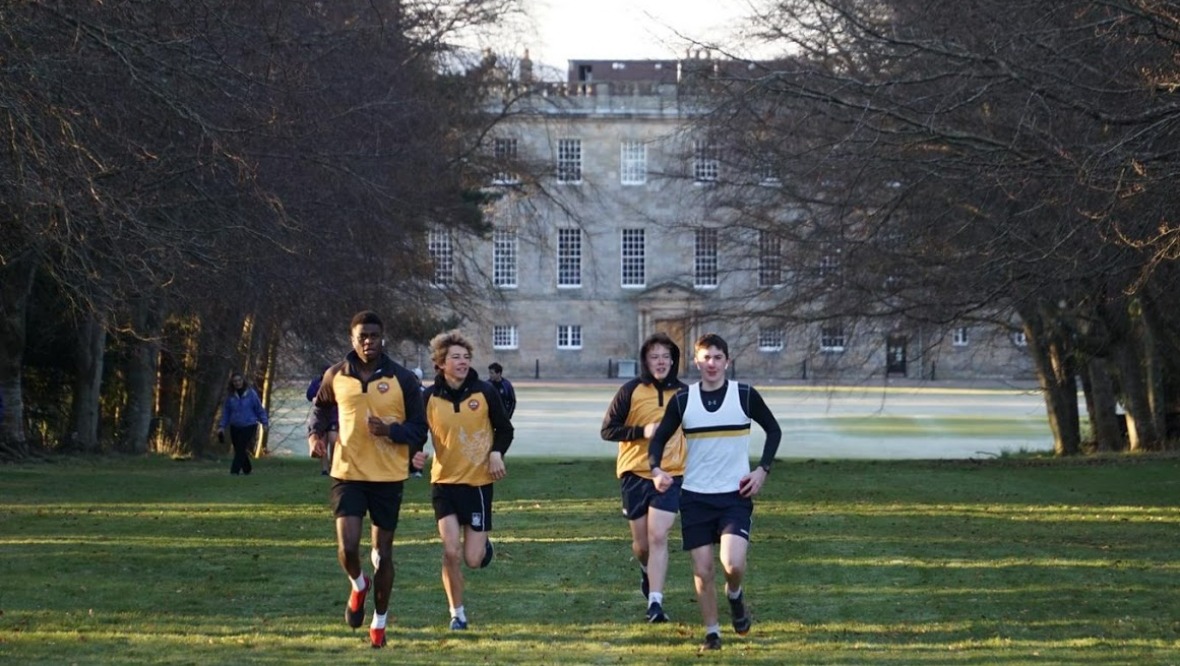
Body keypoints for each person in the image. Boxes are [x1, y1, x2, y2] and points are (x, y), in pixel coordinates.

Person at [647, 333, 782, 652]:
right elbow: (658, 439)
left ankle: (734, 595)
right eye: (706, 357)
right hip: (695, 497)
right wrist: (656, 471)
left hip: (735, 496)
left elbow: (774, 430)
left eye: (717, 357)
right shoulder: (683, 400)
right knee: (703, 570)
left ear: (727, 361)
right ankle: (712, 633)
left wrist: (762, 469)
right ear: (697, 361)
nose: (711, 363)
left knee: (732, 564)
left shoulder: (745, 395)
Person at [308, 310, 428, 649]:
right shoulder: (336, 375)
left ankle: (379, 622)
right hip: (347, 473)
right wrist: (315, 434)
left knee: (382, 554)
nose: (368, 342)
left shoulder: (403, 379)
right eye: (362, 336)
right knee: (347, 548)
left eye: (373, 336)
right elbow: (319, 407)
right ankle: (359, 585)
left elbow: (420, 428)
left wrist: (390, 431)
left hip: (388, 477)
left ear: (382, 338)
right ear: (352, 338)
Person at [421, 330, 514, 631]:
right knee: (451, 551)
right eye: (455, 358)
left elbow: (505, 429)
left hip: (477, 484)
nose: (462, 362)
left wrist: (497, 453)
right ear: (440, 363)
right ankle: (456, 613)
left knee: (472, 559)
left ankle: (483, 547)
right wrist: (412, 454)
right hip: (444, 483)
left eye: (466, 357)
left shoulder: (484, 392)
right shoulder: (429, 397)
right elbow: (415, 431)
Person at [600, 332, 688, 624]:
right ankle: (645, 569)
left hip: (671, 474)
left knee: (659, 535)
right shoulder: (630, 391)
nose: (660, 362)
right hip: (634, 473)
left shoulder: (686, 394)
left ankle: (655, 603)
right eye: (654, 357)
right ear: (646, 361)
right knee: (642, 545)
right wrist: (642, 432)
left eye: (665, 356)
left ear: (673, 360)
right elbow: (608, 430)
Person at [217, 372, 269, 476]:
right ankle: (247, 469)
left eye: (239, 380)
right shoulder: (230, 396)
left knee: (241, 448)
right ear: (232, 383)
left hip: (249, 425)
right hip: (235, 425)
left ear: (243, 381)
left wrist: (264, 422)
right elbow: (226, 412)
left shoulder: (251, 394)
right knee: (238, 448)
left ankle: (234, 471)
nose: (237, 383)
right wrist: (221, 426)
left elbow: (259, 409)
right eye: (235, 381)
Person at [307, 365, 337, 476]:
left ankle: (334, 465)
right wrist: (315, 398)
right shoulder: (316, 383)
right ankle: (324, 469)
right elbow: (309, 395)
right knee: (322, 443)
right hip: (321, 418)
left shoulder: (337, 382)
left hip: (334, 416)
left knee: (334, 441)